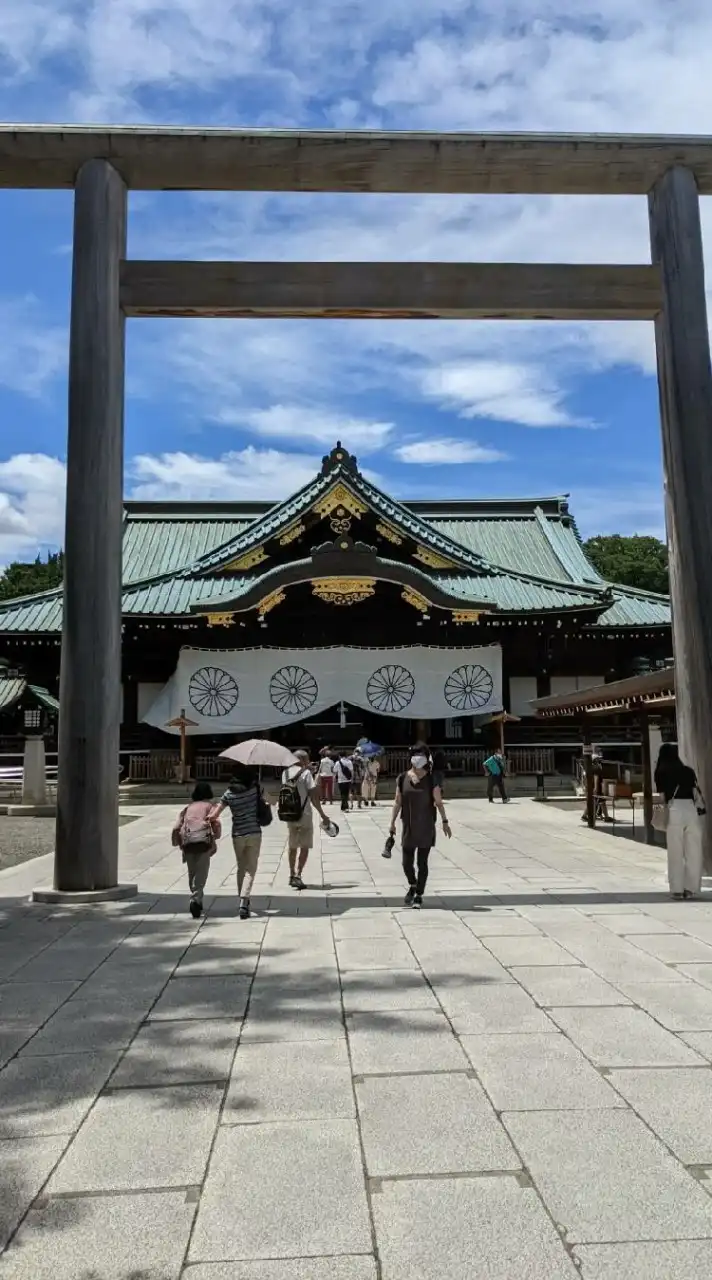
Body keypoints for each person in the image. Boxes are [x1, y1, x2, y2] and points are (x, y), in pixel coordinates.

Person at [389, 750, 451, 908]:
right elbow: (398, 801)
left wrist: (445, 821)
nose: (417, 758)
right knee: (406, 863)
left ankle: (419, 894)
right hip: (408, 825)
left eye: (420, 755)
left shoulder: (431, 779)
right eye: (415, 754)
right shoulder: (402, 778)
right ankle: (413, 884)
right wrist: (392, 822)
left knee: (422, 862)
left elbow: (438, 801)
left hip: (426, 825)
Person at [211, 765, 266, 919]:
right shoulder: (255, 790)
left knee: (241, 867)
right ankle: (244, 900)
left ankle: (242, 899)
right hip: (254, 832)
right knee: (251, 868)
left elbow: (215, 815)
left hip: (237, 834)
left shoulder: (228, 794)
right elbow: (269, 802)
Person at [654, 742, 705, 900]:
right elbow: (695, 792)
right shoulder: (688, 771)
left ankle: (676, 889)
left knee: (675, 851)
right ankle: (691, 888)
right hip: (691, 810)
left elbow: (662, 797)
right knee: (694, 851)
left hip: (674, 809)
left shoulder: (661, 771)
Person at [279, 748, 330, 889]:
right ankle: (298, 875)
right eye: (306, 759)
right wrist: (323, 815)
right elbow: (314, 796)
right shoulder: (306, 774)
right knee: (305, 846)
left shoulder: (285, 773)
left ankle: (291, 874)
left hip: (289, 814)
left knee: (292, 845)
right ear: (301, 760)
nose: (308, 762)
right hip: (304, 814)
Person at [172, 782, 221, 919]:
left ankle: (196, 898)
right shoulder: (210, 807)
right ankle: (195, 899)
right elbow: (215, 824)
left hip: (188, 843)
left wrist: (177, 841)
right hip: (203, 842)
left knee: (192, 872)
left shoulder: (188, 807)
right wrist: (216, 836)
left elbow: (177, 826)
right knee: (201, 872)